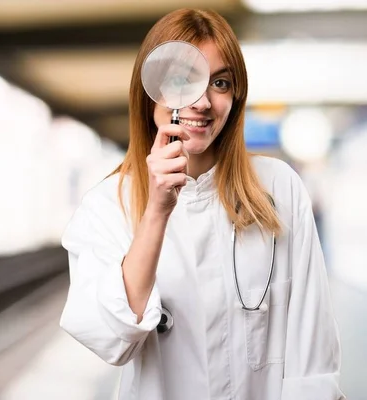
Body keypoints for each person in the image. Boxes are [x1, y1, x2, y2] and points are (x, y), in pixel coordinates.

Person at [60, 8, 345, 400]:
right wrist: (156, 212)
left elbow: (311, 354)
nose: (203, 102)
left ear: (235, 98)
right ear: (150, 93)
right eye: (182, 80)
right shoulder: (108, 206)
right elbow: (111, 339)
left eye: (221, 83)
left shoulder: (279, 189)